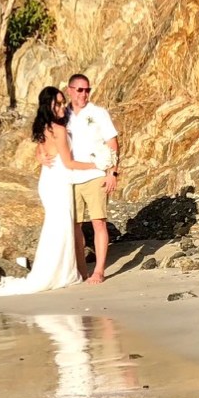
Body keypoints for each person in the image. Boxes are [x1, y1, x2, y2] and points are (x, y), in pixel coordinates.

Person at [0, 87, 104, 297]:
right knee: (60, 226)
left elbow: (41, 151)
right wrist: (96, 165)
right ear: (48, 106)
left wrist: (39, 155)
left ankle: (60, 271)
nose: (61, 107)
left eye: (62, 102)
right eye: (57, 104)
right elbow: (68, 162)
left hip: (49, 180)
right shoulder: (57, 130)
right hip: (58, 181)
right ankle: (59, 273)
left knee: (57, 227)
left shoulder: (44, 126)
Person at [65, 73, 120, 284]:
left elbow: (112, 144)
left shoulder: (99, 113)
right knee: (75, 225)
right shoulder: (63, 114)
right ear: (70, 90)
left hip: (96, 174)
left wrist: (112, 172)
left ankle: (99, 270)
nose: (84, 94)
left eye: (87, 90)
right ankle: (80, 269)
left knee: (98, 221)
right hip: (71, 177)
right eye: (80, 90)